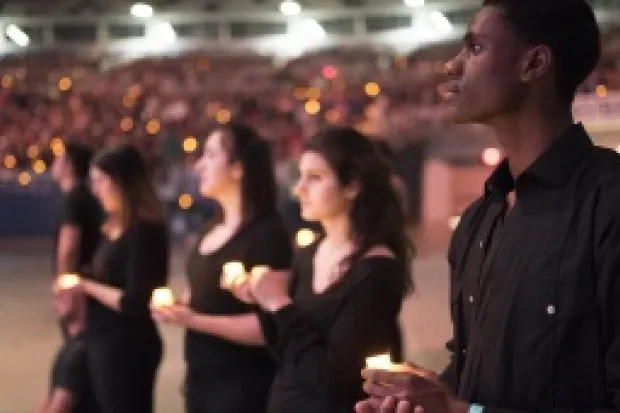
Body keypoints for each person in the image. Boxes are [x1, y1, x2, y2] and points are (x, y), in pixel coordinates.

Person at [357, 1, 620, 413]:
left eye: (474, 49)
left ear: (533, 64)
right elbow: (472, 372)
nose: (451, 67)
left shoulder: (608, 204)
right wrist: (422, 394)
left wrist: (460, 411)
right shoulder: (480, 219)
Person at [232, 127, 414, 413]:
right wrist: (263, 303)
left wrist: (279, 304)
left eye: (315, 178)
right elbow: (288, 354)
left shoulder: (376, 268)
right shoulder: (309, 253)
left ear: (352, 185)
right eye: (300, 177)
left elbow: (333, 380)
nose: (299, 189)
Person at [151, 124, 293, 413]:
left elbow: (268, 328)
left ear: (238, 169)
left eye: (211, 155)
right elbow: (205, 294)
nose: (199, 165)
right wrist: (179, 304)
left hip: (243, 386)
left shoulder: (267, 235)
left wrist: (192, 319)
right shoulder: (211, 229)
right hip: (203, 378)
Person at [69, 144, 169, 413]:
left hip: (127, 346)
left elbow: (135, 301)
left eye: (101, 181)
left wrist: (85, 285)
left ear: (121, 182)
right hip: (104, 339)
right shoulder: (114, 227)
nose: (95, 189)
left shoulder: (144, 230)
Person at [51, 141, 103, 337]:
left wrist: (64, 291)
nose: (54, 163)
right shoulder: (88, 198)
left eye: (59, 159)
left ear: (69, 166)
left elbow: (68, 247)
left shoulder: (72, 201)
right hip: (89, 287)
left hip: (78, 291)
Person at [37, 285, 96, 413]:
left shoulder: (78, 352)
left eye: (62, 296)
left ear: (82, 301)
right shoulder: (74, 347)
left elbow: (59, 407)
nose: (55, 303)